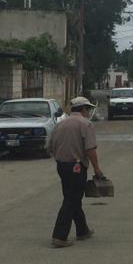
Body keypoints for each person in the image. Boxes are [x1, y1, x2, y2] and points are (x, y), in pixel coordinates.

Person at [49, 96, 105, 248]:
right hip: (77, 167)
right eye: (88, 109)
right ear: (83, 109)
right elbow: (90, 149)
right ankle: (59, 236)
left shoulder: (60, 124)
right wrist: (97, 170)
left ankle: (82, 230)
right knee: (71, 200)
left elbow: (51, 147)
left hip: (62, 165)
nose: (89, 112)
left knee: (72, 197)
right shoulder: (85, 124)